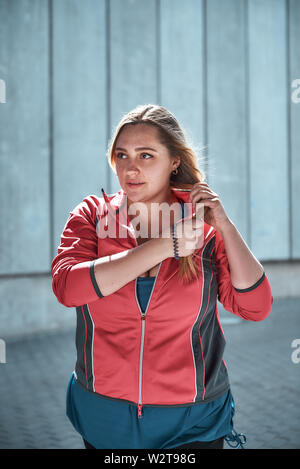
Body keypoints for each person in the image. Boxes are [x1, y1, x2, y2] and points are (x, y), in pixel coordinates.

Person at [51, 104, 273, 449]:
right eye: (122, 155)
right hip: (104, 419)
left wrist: (226, 226)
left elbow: (255, 307)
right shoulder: (92, 215)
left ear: (174, 162)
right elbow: (67, 287)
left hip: (193, 423)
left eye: (146, 155)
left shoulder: (205, 229)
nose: (131, 167)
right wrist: (162, 246)